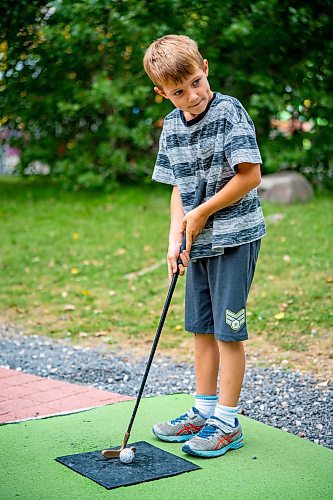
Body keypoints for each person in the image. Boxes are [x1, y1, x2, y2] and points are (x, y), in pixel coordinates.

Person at [143, 34, 266, 458]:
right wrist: (176, 234)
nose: (193, 96)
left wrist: (202, 213)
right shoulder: (174, 125)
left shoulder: (229, 112)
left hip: (235, 237)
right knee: (201, 330)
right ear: (162, 94)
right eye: (179, 91)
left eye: (196, 82)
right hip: (197, 242)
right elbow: (178, 186)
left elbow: (250, 176)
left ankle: (227, 421)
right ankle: (203, 409)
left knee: (227, 333)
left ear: (206, 68)